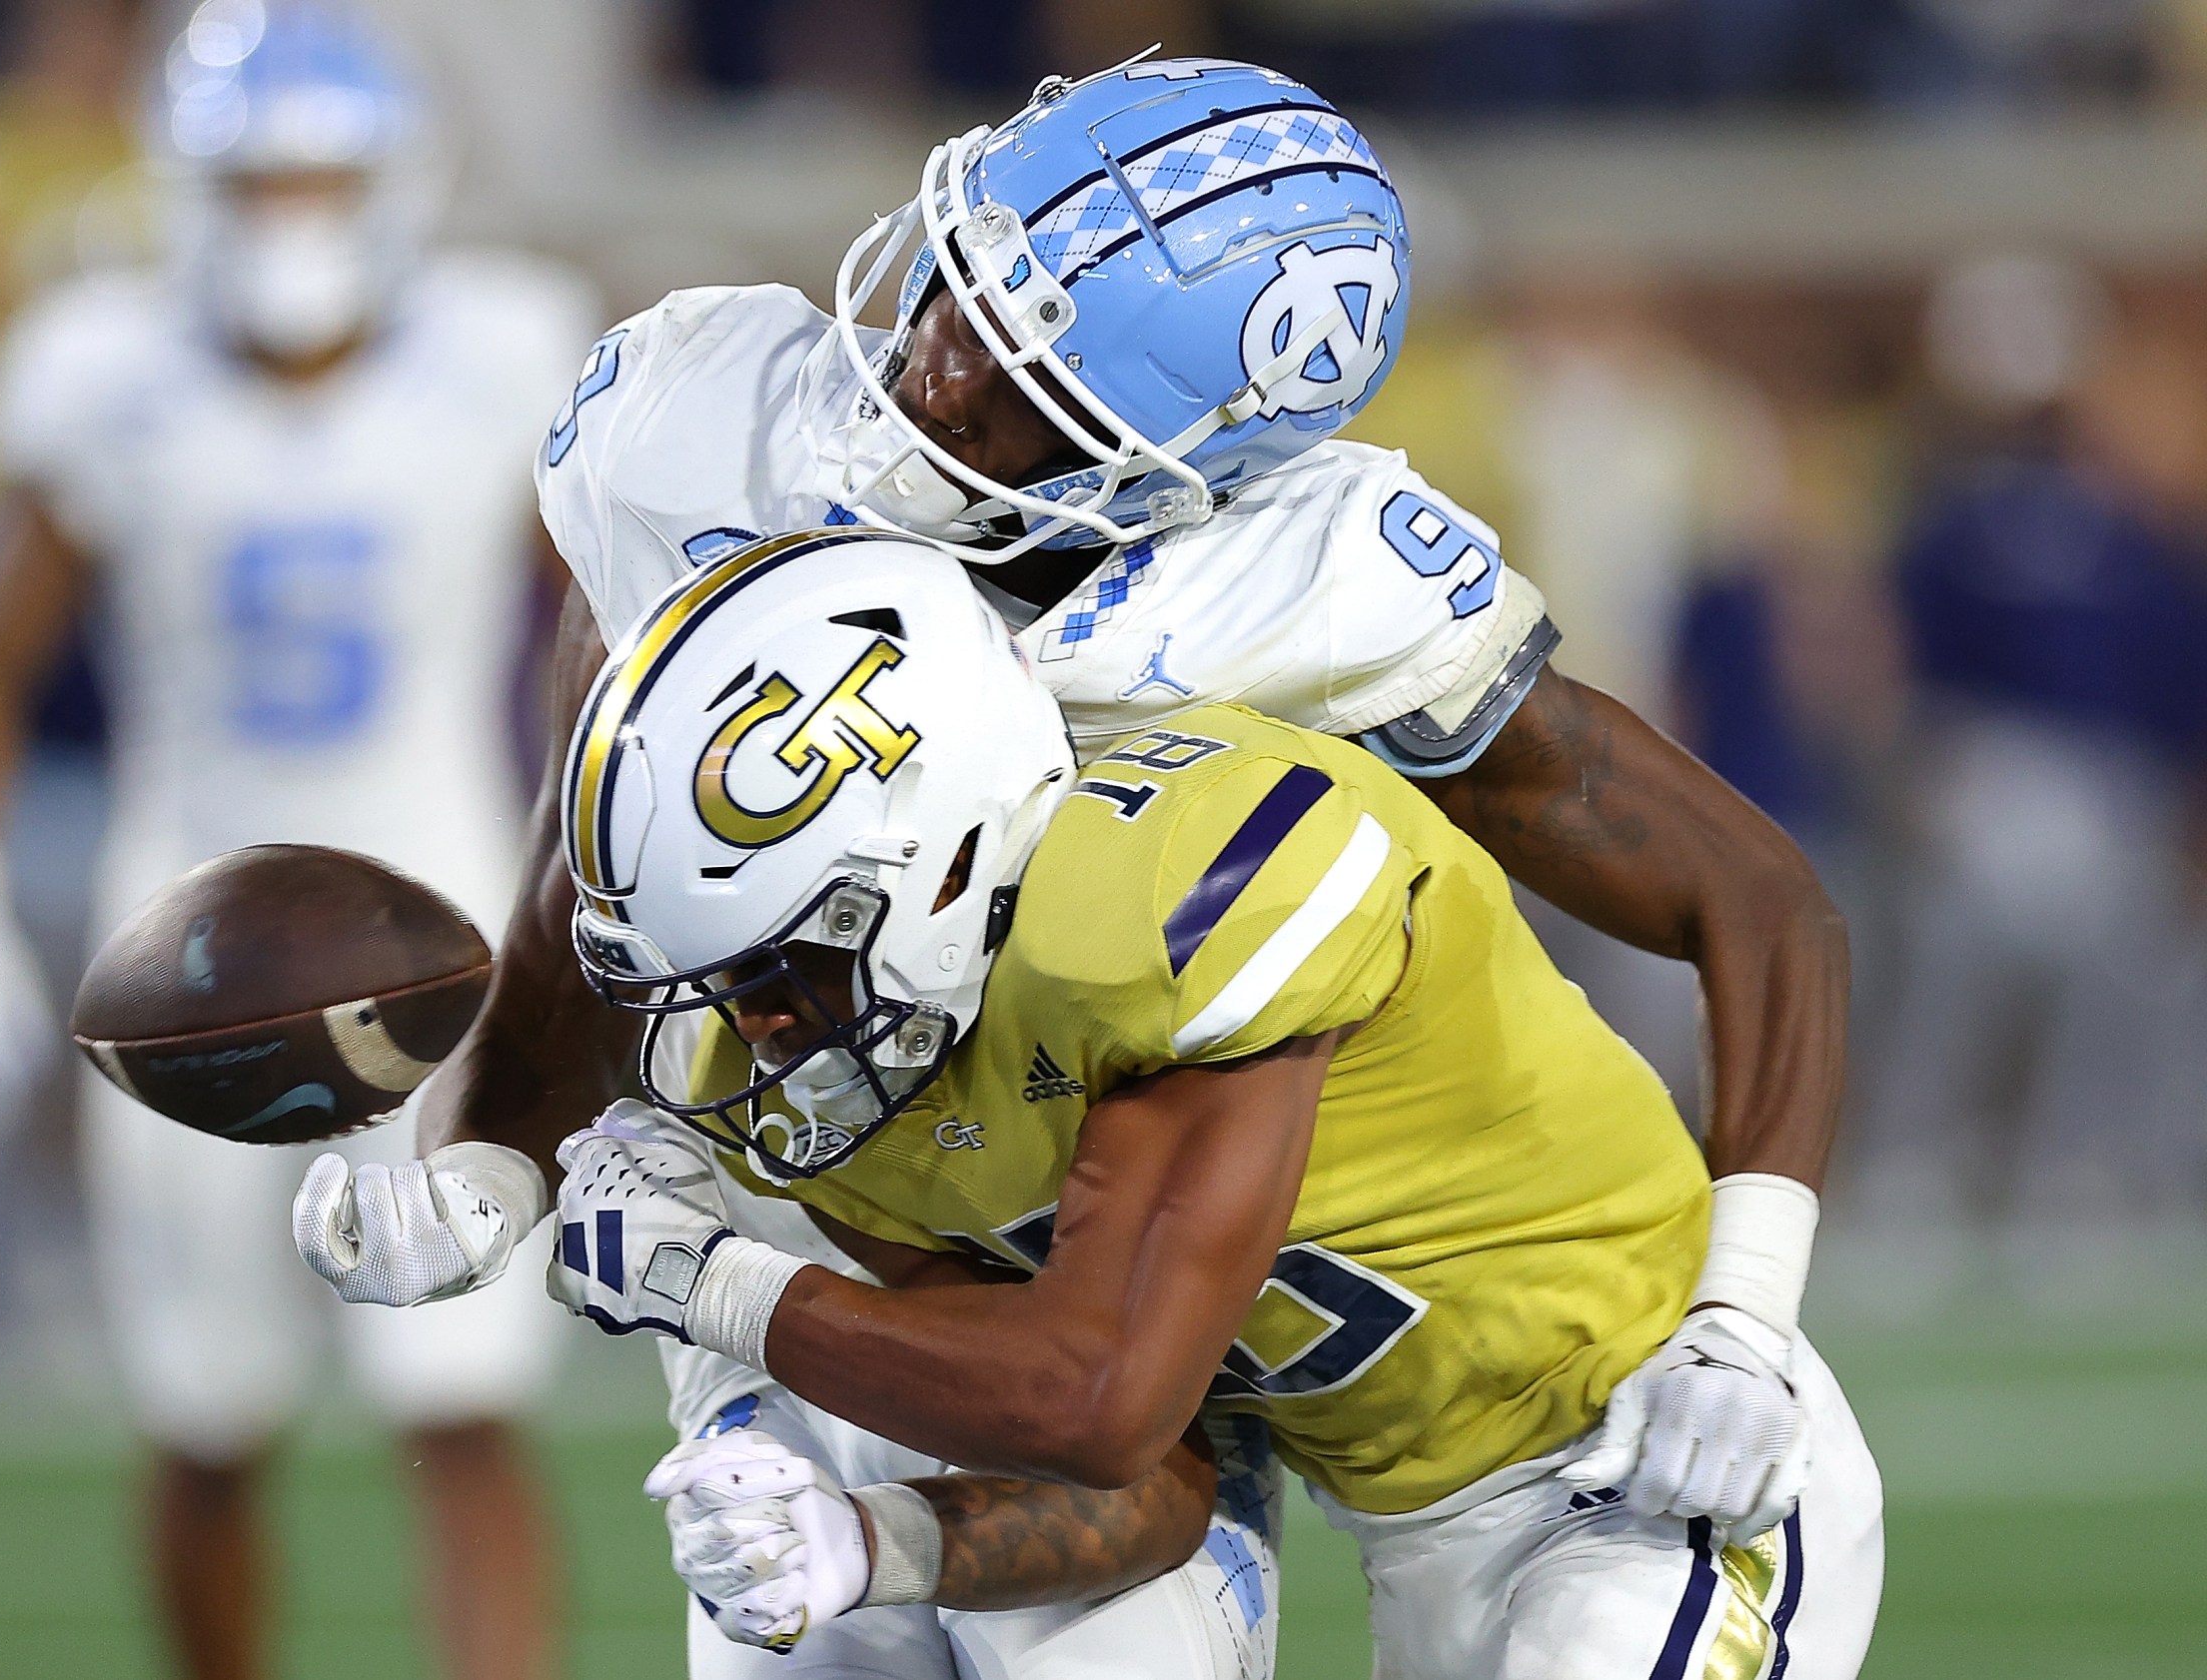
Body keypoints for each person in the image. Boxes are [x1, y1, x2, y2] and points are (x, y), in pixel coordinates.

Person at [291, 56, 1851, 1678]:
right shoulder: (702, 427)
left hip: (1179, 1218)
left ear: (1189, 473)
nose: (930, 373)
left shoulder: (1306, 592)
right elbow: (608, 872)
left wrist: (1746, 1304)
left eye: (1019, 386)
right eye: (954, 288)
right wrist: (495, 1159)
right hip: (909, 1185)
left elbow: (1753, 894)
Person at [552, 530, 1884, 1676]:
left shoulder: (1187, 897)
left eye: (783, 965)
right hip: (1418, 1524)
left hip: (1654, 1449)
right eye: (719, 982)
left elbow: (1097, 1397)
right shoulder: (832, 1082)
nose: (760, 1027)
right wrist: (865, 1543)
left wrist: (714, 1284)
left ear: (938, 854)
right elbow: (1140, 1480)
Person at [0, 7, 590, 1678]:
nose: (289, 219)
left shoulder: (511, 344)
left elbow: (617, 649)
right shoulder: (101, 365)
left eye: (319, 184)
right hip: (183, 947)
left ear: (400, 184)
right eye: (256, 187)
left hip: (448, 926)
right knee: (207, 1415)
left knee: (471, 1402)